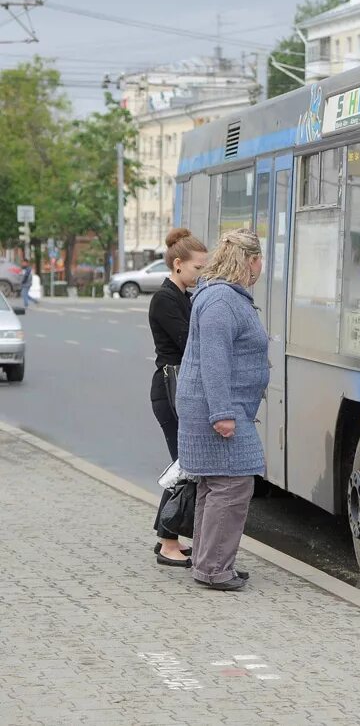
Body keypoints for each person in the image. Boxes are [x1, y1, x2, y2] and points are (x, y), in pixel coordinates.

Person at [176, 229, 268, 591]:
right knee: (232, 485)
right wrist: (222, 414)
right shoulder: (220, 302)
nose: (261, 268)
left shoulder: (222, 297)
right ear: (250, 261)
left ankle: (209, 562)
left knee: (216, 485)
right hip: (217, 410)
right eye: (260, 261)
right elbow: (214, 362)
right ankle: (214, 568)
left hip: (221, 407)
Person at [148, 227, 208, 566]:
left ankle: (167, 538)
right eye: (198, 268)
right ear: (178, 265)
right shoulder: (166, 299)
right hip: (170, 389)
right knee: (184, 468)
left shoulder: (182, 296)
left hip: (177, 388)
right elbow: (189, 344)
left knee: (183, 465)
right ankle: (169, 542)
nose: (202, 274)